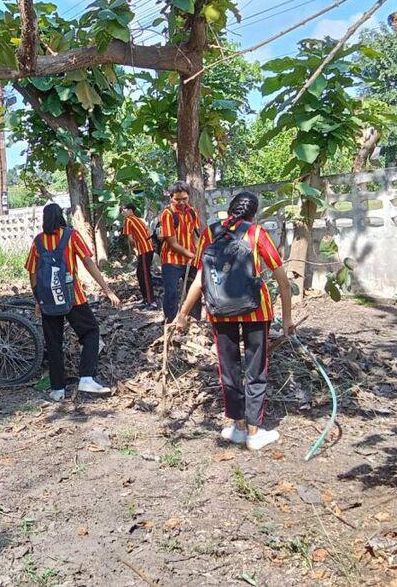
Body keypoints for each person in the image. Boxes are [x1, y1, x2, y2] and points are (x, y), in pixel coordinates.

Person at [174, 191, 295, 451]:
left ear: (230, 210)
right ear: (253, 213)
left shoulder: (210, 232)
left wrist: (182, 314)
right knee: (255, 370)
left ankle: (238, 428)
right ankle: (254, 433)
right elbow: (283, 281)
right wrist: (287, 319)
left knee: (228, 369)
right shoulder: (256, 233)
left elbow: (200, 280)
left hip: (219, 310)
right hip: (256, 310)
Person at [27, 203, 122, 401]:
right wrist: (107, 290)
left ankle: (57, 390)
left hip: (48, 300)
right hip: (73, 298)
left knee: (53, 342)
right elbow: (88, 263)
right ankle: (86, 377)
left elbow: (33, 273)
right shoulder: (71, 236)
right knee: (90, 332)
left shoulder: (38, 241)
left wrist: (38, 299)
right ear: (61, 216)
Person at [159, 181, 202, 322]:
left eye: (184, 199)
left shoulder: (193, 212)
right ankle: (170, 322)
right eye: (177, 199)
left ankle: (193, 321)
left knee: (194, 292)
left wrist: (198, 254)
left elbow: (196, 235)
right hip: (171, 260)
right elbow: (172, 244)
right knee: (171, 293)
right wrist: (192, 255)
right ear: (171, 198)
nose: (181, 202)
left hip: (191, 259)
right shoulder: (167, 214)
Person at [121, 203, 157, 309]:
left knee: (145, 275)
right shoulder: (139, 220)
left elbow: (130, 239)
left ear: (130, 210)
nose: (122, 212)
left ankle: (151, 302)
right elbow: (148, 232)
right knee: (140, 273)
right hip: (147, 249)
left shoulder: (128, 220)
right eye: (121, 211)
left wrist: (134, 249)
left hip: (144, 250)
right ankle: (146, 299)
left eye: (124, 210)